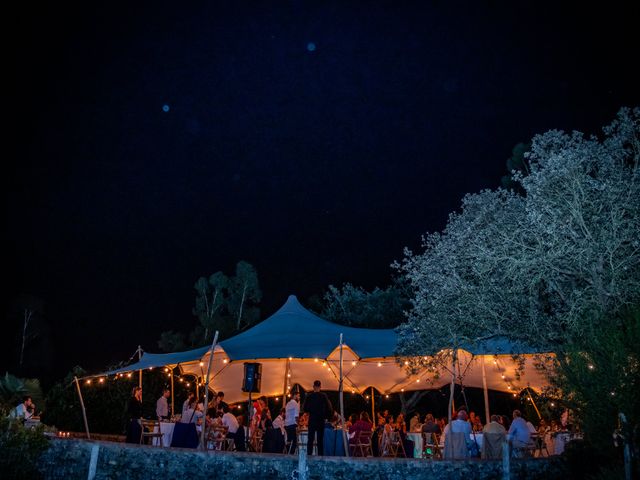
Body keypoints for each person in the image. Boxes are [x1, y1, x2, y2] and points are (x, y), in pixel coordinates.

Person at [302, 380, 333, 456]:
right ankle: (320, 458)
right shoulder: (324, 396)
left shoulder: (309, 396)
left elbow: (304, 408)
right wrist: (325, 416)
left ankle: (309, 456)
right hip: (320, 420)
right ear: (320, 387)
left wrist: (311, 410)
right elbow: (329, 408)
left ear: (313, 387)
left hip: (312, 420)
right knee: (320, 441)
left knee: (310, 440)